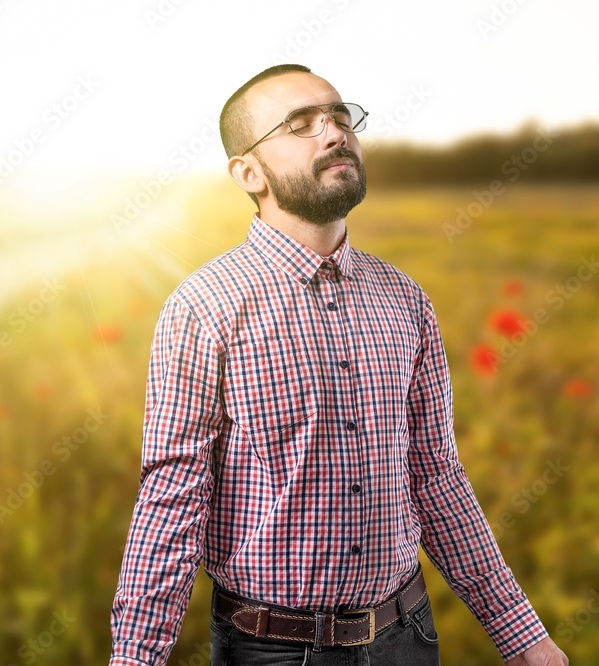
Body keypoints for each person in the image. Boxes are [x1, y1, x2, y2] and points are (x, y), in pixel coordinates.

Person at [108, 64, 568, 665]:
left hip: (409, 638)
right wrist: (136, 660)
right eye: (299, 124)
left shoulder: (406, 299)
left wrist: (522, 634)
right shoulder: (204, 308)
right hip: (269, 652)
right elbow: (173, 498)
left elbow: (437, 476)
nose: (333, 133)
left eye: (340, 116)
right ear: (248, 171)